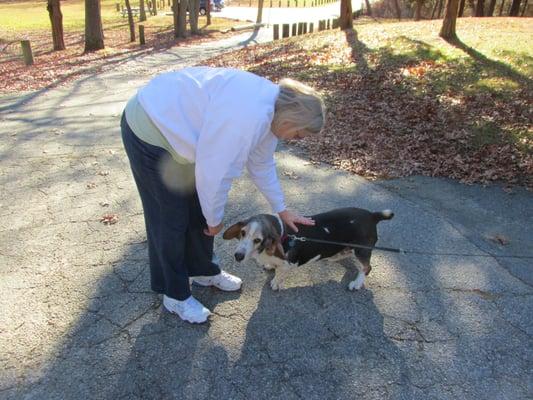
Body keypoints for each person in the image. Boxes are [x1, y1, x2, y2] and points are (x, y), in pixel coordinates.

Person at [121, 66, 326, 324]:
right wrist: (215, 219)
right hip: (149, 128)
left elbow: (261, 164)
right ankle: (174, 294)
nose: (295, 139)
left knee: (199, 210)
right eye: (298, 133)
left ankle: (203, 270)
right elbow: (215, 173)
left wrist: (282, 209)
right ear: (291, 119)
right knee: (169, 218)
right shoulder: (246, 117)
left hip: (180, 133)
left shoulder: (271, 114)